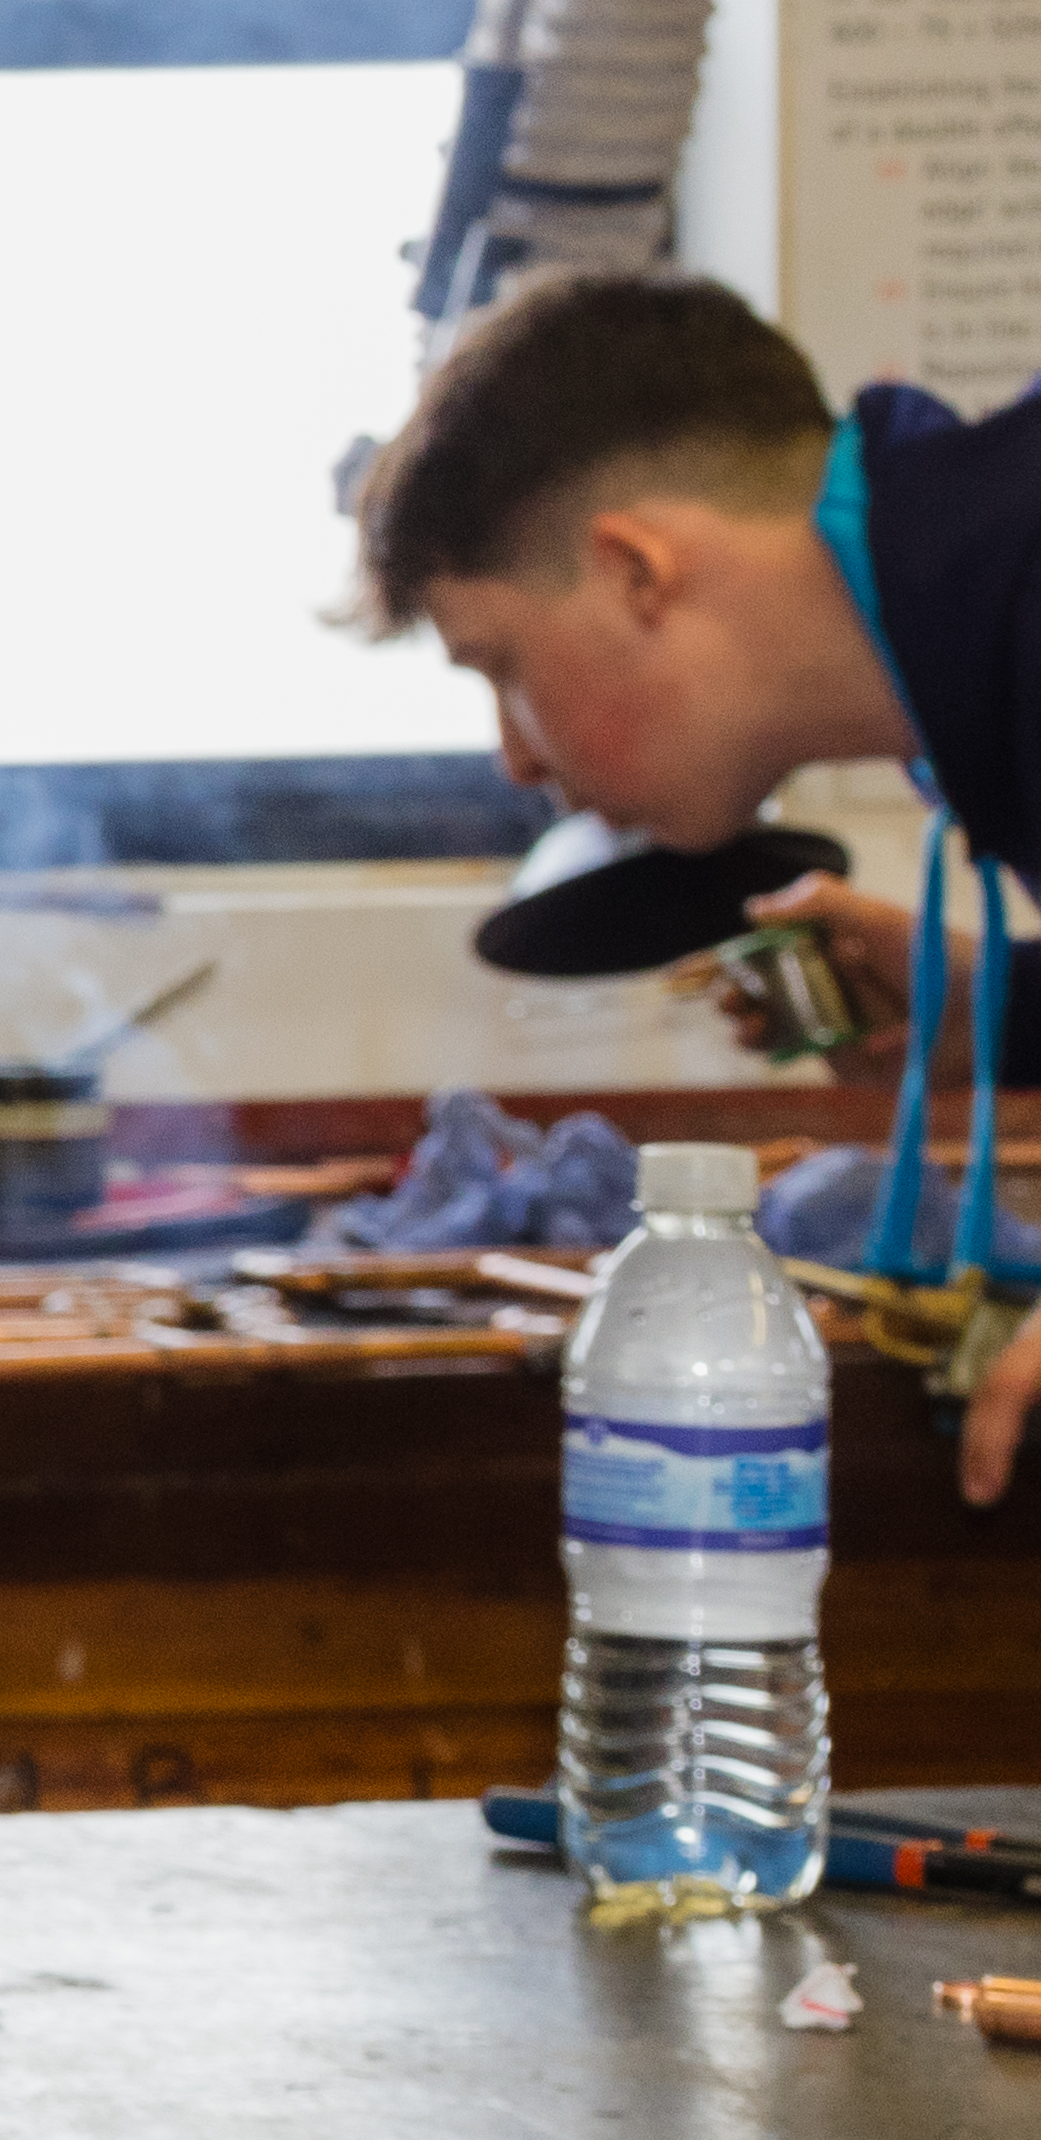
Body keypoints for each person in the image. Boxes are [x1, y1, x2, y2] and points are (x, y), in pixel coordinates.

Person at [350, 266, 1035, 1506]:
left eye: (502, 666)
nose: (514, 755)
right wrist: (1000, 1005)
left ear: (635, 573)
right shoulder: (986, 629)